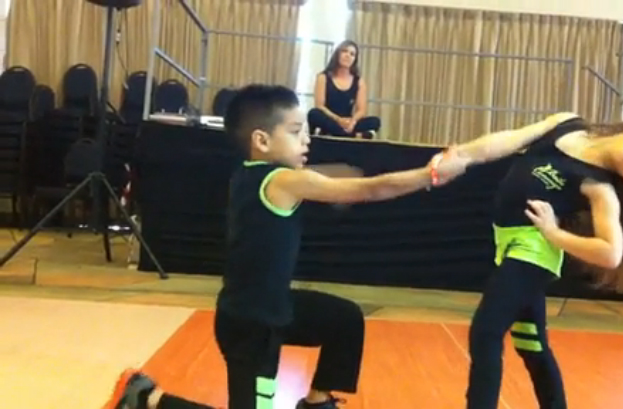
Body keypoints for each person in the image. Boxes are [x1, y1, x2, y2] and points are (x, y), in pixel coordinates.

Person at [104, 84, 470, 409]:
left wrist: (330, 176)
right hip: (250, 327)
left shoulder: (250, 173)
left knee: (344, 320)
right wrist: (431, 174)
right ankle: (147, 398)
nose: (306, 140)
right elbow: (371, 190)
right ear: (262, 141)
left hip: (276, 308)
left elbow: (320, 181)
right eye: (296, 132)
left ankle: (317, 402)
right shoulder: (283, 181)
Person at [453, 113, 623, 409]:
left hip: (532, 253)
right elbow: (512, 138)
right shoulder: (567, 124)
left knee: (486, 332)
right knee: (531, 344)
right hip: (509, 244)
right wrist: (463, 155)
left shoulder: (599, 187)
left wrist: (554, 233)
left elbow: (611, 253)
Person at [307, 40, 381, 139]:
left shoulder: (359, 81)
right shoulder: (323, 77)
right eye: (344, 51)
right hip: (330, 120)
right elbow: (320, 106)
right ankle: (354, 136)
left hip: (348, 123)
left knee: (375, 121)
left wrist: (353, 121)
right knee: (314, 114)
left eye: (352, 54)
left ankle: (339, 134)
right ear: (337, 54)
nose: (348, 56)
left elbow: (361, 110)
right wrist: (338, 120)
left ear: (355, 59)